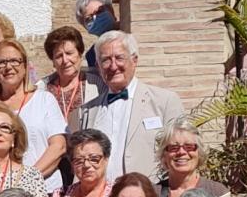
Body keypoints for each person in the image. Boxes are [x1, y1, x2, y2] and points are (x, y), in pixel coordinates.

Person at [77, 31, 183, 183]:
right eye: (106, 60)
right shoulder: (88, 111)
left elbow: (181, 153)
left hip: (149, 196)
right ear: (98, 66)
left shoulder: (165, 102)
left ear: (134, 60)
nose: (113, 66)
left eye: (119, 58)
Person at [0, 38, 68, 192]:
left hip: (44, 190)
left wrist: (25, 180)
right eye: (1, 62)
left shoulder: (44, 100)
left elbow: (59, 146)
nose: (8, 67)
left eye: (14, 61)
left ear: (25, 67)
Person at [156, 118, 231, 197]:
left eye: (189, 147)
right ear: (164, 155)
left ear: (199, 152)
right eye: (174, 148)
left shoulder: (218, 193)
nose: (181, 152)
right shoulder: (152, 195)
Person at [43, 26, 101, 138]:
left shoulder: (98, 86)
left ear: (80, 54)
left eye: (69, 53)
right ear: (53, 62)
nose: (65, 60)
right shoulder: (42, 90)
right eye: (59, 56)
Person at [74, 0, 118, 69]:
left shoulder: (132, 32)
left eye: (99, 11)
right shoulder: (92, 55)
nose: (95, 18)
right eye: (88, 19)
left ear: (111, 10)